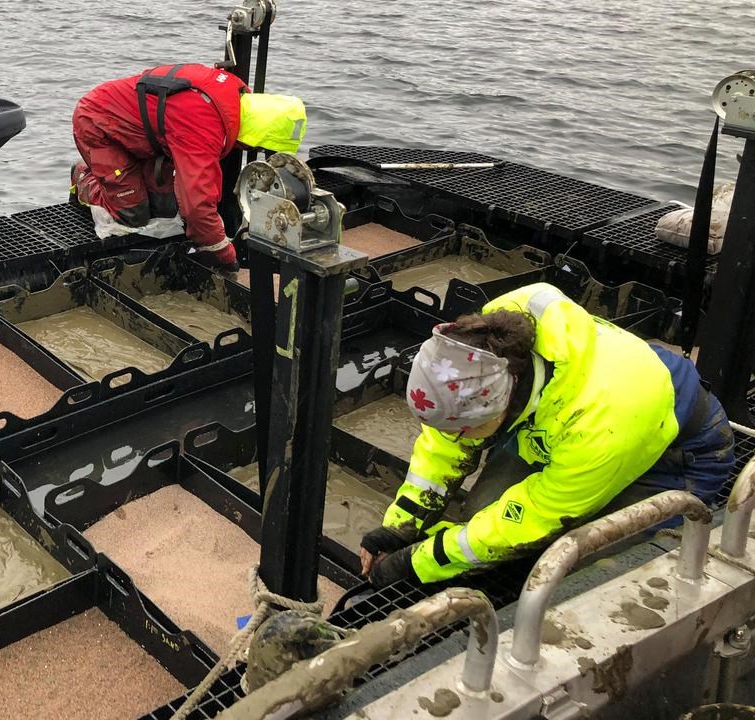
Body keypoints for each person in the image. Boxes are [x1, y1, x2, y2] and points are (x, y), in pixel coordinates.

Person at [360, 283, 735, 587]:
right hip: (564, 414)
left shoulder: (599, 426)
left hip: (676, 454)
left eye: (467, 430)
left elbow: (529, 520)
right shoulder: (486, 341)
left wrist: (417, 563)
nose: (457, 438)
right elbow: (443, 442)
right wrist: (400, 527)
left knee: (583, 573)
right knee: (479, 514)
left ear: (505, 402)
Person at [70, 63, 307, 272]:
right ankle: (84, 178)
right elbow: (196, 207)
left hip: (139, 133)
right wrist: (222, 252)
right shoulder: (202, 125)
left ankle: (124, 175)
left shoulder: (237, 96)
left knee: (165, 204)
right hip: (99, 126)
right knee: (133, 214)